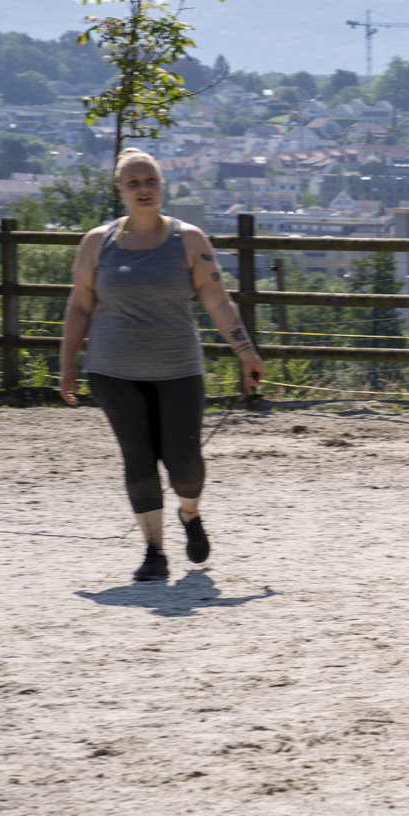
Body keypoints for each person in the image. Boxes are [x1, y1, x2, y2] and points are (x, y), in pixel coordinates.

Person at [57, 148, 265, 581]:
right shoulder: (97, 243)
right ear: (120, 190)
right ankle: (154, 551)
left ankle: (189, 513)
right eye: (133, 182)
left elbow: (217, 298)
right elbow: (80, 305)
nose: (143, 188)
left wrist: (245, 351)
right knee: (139, 456)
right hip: (112, 369)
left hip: (179, 369)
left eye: (149, 180)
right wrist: (68, 363)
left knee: (184, 460)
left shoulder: (188, 240)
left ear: (162, 185)